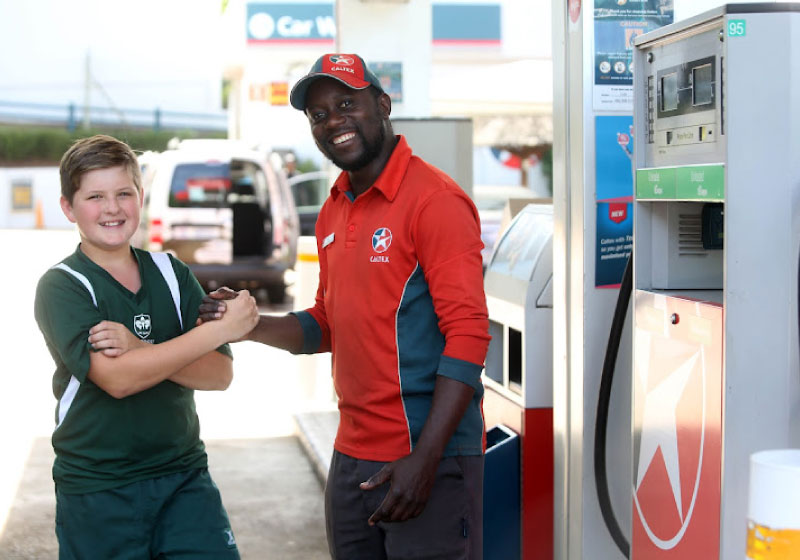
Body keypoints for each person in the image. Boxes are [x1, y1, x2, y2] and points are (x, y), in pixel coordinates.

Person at [201, 53, 490, 559]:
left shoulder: (434, 200)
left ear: (382, 104)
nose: (333, 120)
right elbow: (326, 324)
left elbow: (469, 334)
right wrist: (246, 325)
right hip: (352, 458)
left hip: (428, 458)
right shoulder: (334, 208)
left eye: (346, 104)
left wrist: (425, 459)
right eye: (318, 114)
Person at [34, 134, 259, 560]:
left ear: (141, 196)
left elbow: (219, 375)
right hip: (99, 489)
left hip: (183, 478)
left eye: (124, 193)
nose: (112, 208)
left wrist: (139, 345)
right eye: (94, 196)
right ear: (68, 207)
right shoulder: (63, 285)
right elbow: (117, 380)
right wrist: (218, 332)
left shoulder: (171, 273)